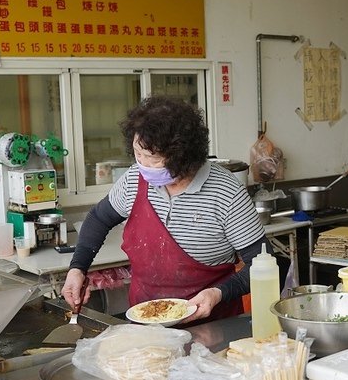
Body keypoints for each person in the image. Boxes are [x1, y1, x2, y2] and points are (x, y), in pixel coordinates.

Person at [61, 96, 267, 323]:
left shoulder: (226, 192)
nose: (142, 164)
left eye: (152, 158)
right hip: (146, 321)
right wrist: (77, 269)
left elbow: (264, 264)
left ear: (182, 155)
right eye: (138, 154)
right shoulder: (133, 181)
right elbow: (98, 218)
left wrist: (219, 293)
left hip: (213, 325)